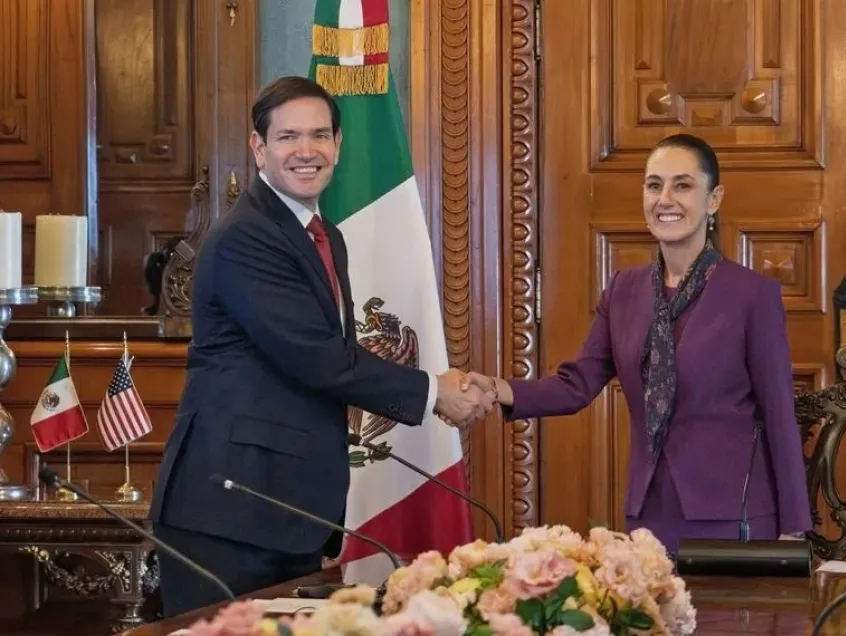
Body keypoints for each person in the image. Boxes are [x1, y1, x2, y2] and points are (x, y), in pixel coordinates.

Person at [149, 76, 495, 617]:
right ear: (258, 147)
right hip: (231, 512)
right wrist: (433, 392)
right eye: (288, 137)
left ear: (338, 144)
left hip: (288, 510)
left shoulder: (323, 234)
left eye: (319, 135)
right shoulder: (248, 236)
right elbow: (316, 356)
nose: (306, 151)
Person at [461, 133, 812, 556]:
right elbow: (577, 384)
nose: (665, 198)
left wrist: (794, 529)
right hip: (650, 511)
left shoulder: (752, 295)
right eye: (653, 185)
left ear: (713, 199)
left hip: (732, 515)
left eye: (682, 185)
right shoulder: (624, 290)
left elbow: (779, 413)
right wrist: (498, 389)